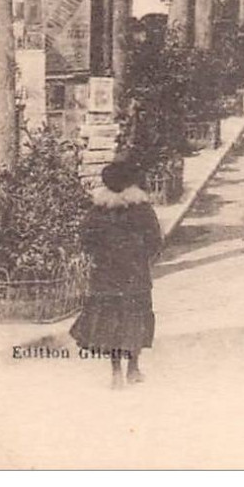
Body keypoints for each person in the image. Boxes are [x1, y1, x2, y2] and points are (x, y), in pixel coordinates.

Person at [70, 160, 163, 389]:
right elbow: (154, 241)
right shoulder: (141, 209)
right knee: (135, 319)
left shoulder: (98, 210)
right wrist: (144, 258)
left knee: (110, 322)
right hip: (135, 275)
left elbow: (85, 240)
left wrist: (99, 257)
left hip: (106, 276)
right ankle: (133, 369)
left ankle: (115, 373)